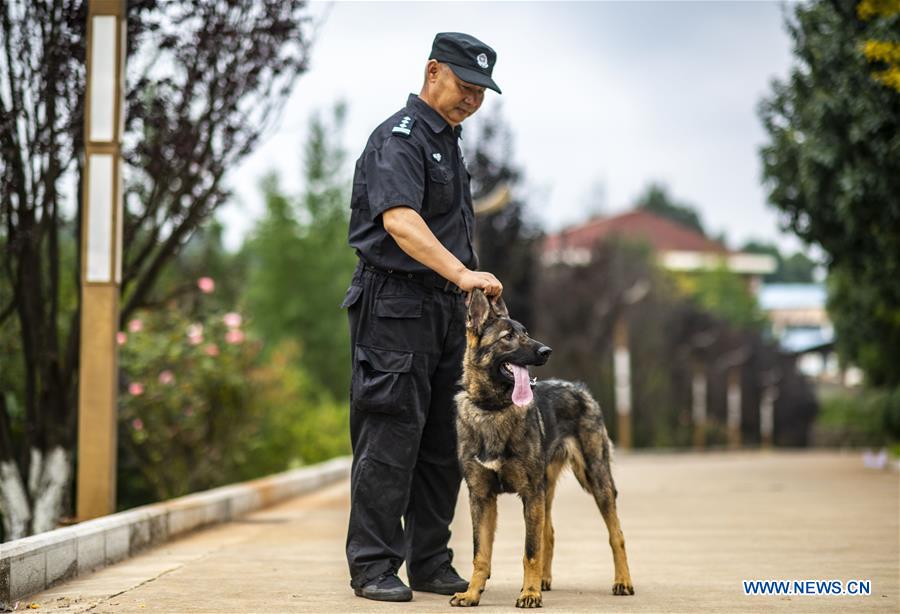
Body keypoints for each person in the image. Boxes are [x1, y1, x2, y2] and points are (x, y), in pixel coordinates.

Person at [341, 32, 504, 602]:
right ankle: (372, 565)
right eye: (465, 85)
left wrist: (465, 294)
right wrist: (464, 275)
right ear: (433, 71)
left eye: (481, 91)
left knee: (443, 441)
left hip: (443, 312)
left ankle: (430, 561)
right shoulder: (400, 138)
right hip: (394, 305)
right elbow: (400, 223)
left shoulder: (449, 144)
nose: (472, 99)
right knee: (390, 436)